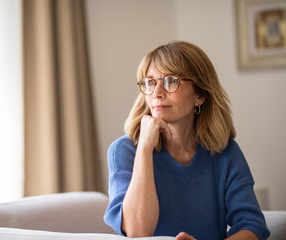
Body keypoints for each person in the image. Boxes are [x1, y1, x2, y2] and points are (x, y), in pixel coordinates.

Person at [103, 41, 270, 240]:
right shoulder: (124, 150)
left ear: (200, 95)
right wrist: (145, 147)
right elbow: (138, 231)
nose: (157, 93)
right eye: (150, 82)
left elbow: (252, 225)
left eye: (171, 81)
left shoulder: (226, 152)